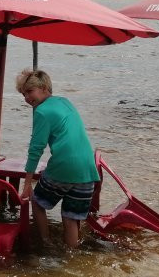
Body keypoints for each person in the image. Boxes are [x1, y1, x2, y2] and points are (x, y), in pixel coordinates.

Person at [16, 68, 99, 248]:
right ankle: (71, 258)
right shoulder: (65, 102)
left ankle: (45, 244)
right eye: (23, 94)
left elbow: (36, 149)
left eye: (29, 91)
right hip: (87, 169)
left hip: (64, 166)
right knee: (70, 218)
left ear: (45, 87)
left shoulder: (41, 111)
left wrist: (27, 184)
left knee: (37, 202)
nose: (27, 98)